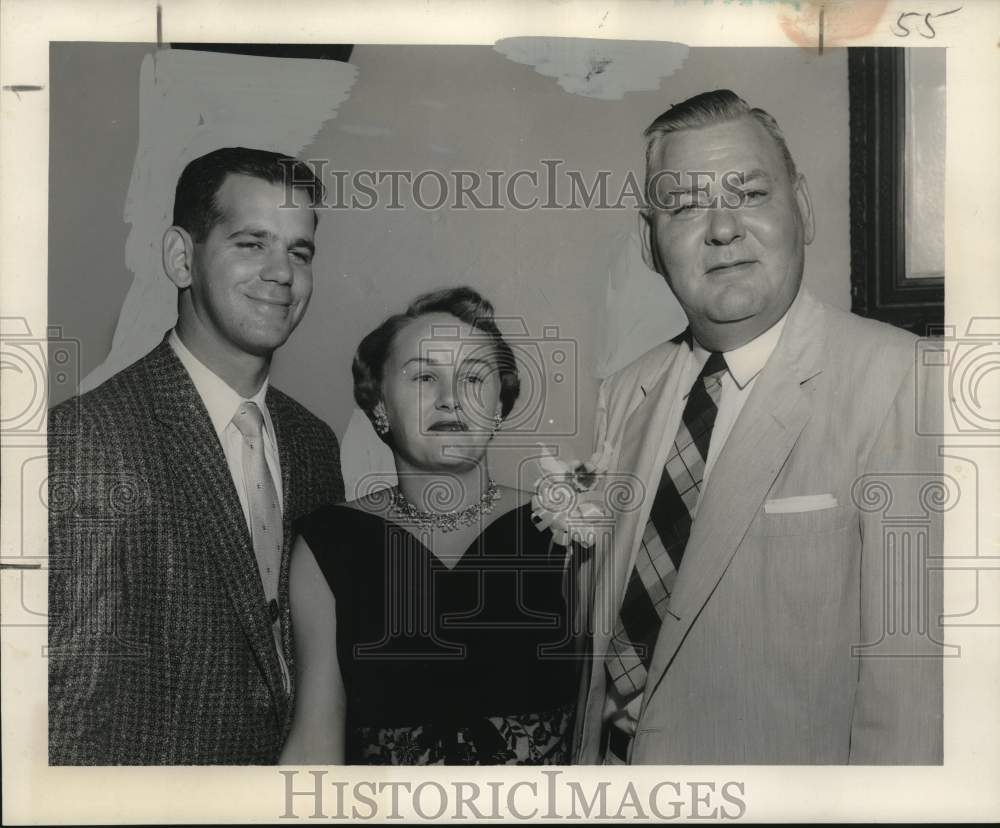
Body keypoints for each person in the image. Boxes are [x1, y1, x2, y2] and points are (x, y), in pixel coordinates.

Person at [574, 90, 943, 764]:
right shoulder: (626, 394)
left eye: (748, 193)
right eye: (684, 207)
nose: (721, 229)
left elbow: (912, 703)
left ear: (801, 208)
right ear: (648, 241)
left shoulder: (906, 381)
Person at [48, 147, 345, 764]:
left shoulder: (314, 444)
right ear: (183, 258)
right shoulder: (87, 439)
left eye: (299, 251)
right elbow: (68, 711)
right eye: (251, 243)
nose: (281, 273)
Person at [281, 287, 581, 765]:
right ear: (379, 403)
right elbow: (315, 743)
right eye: (424, 377)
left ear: (500, 404)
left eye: (474, 379)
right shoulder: (329, 544)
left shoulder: (564, 527)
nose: (450, 401)